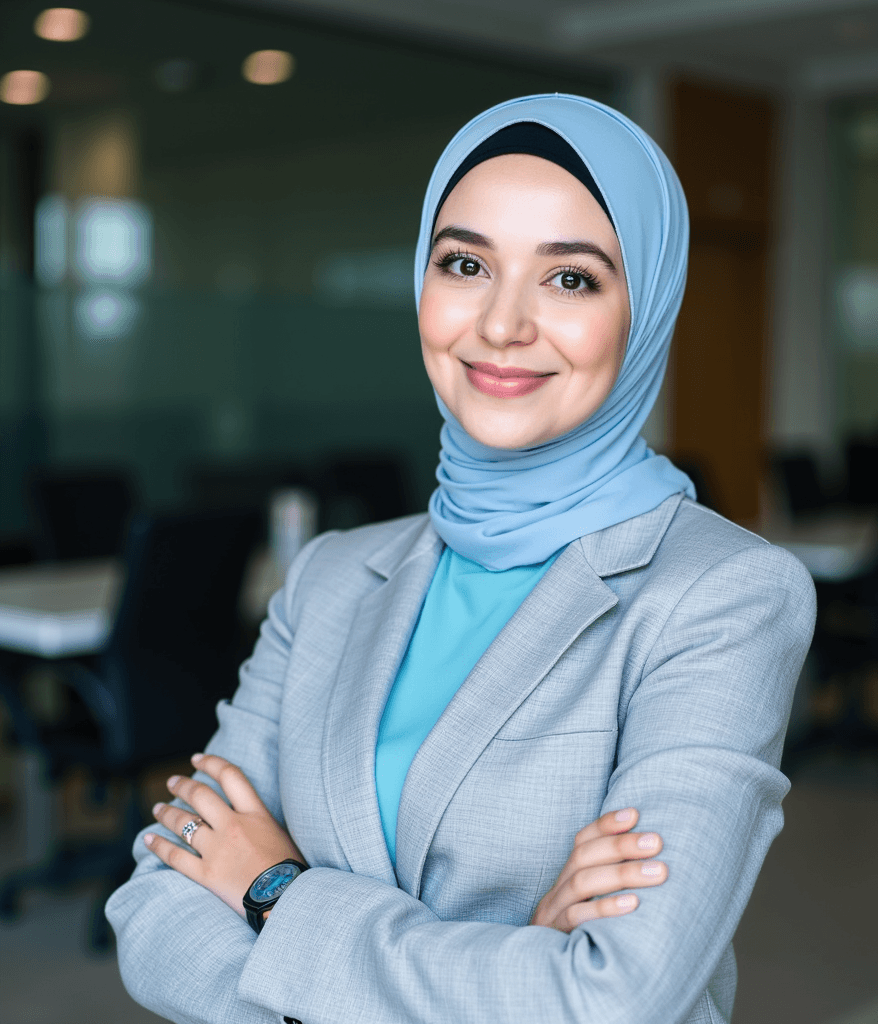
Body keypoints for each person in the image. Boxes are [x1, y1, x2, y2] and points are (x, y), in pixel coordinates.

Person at [107, 93, 815, 1024]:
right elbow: (154, 910)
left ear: (645, 310)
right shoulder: (329, 577)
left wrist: (273, 887)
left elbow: (613, 998)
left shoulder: (723, 597)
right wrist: (522, 949)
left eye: (570, 279)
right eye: (466, 263)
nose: (501, 324)